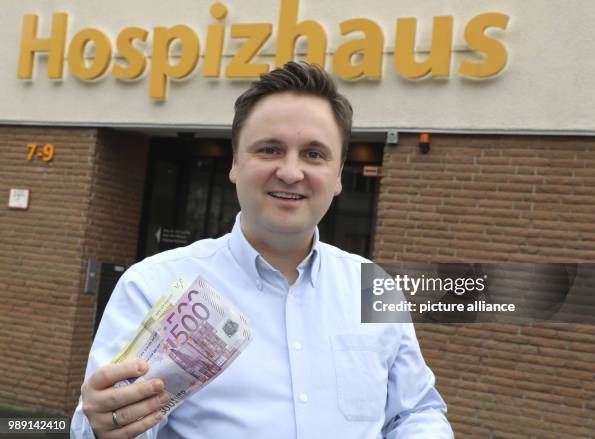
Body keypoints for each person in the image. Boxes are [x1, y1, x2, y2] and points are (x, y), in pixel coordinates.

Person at [71, 62, 453, 439]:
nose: (290, 172)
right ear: (236, 163)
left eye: (314, 154)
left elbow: (415, 411)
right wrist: (104, 428)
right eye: (270, 149)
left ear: (338, 176)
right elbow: (105, 423)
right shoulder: (153, 285)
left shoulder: (374, 288)